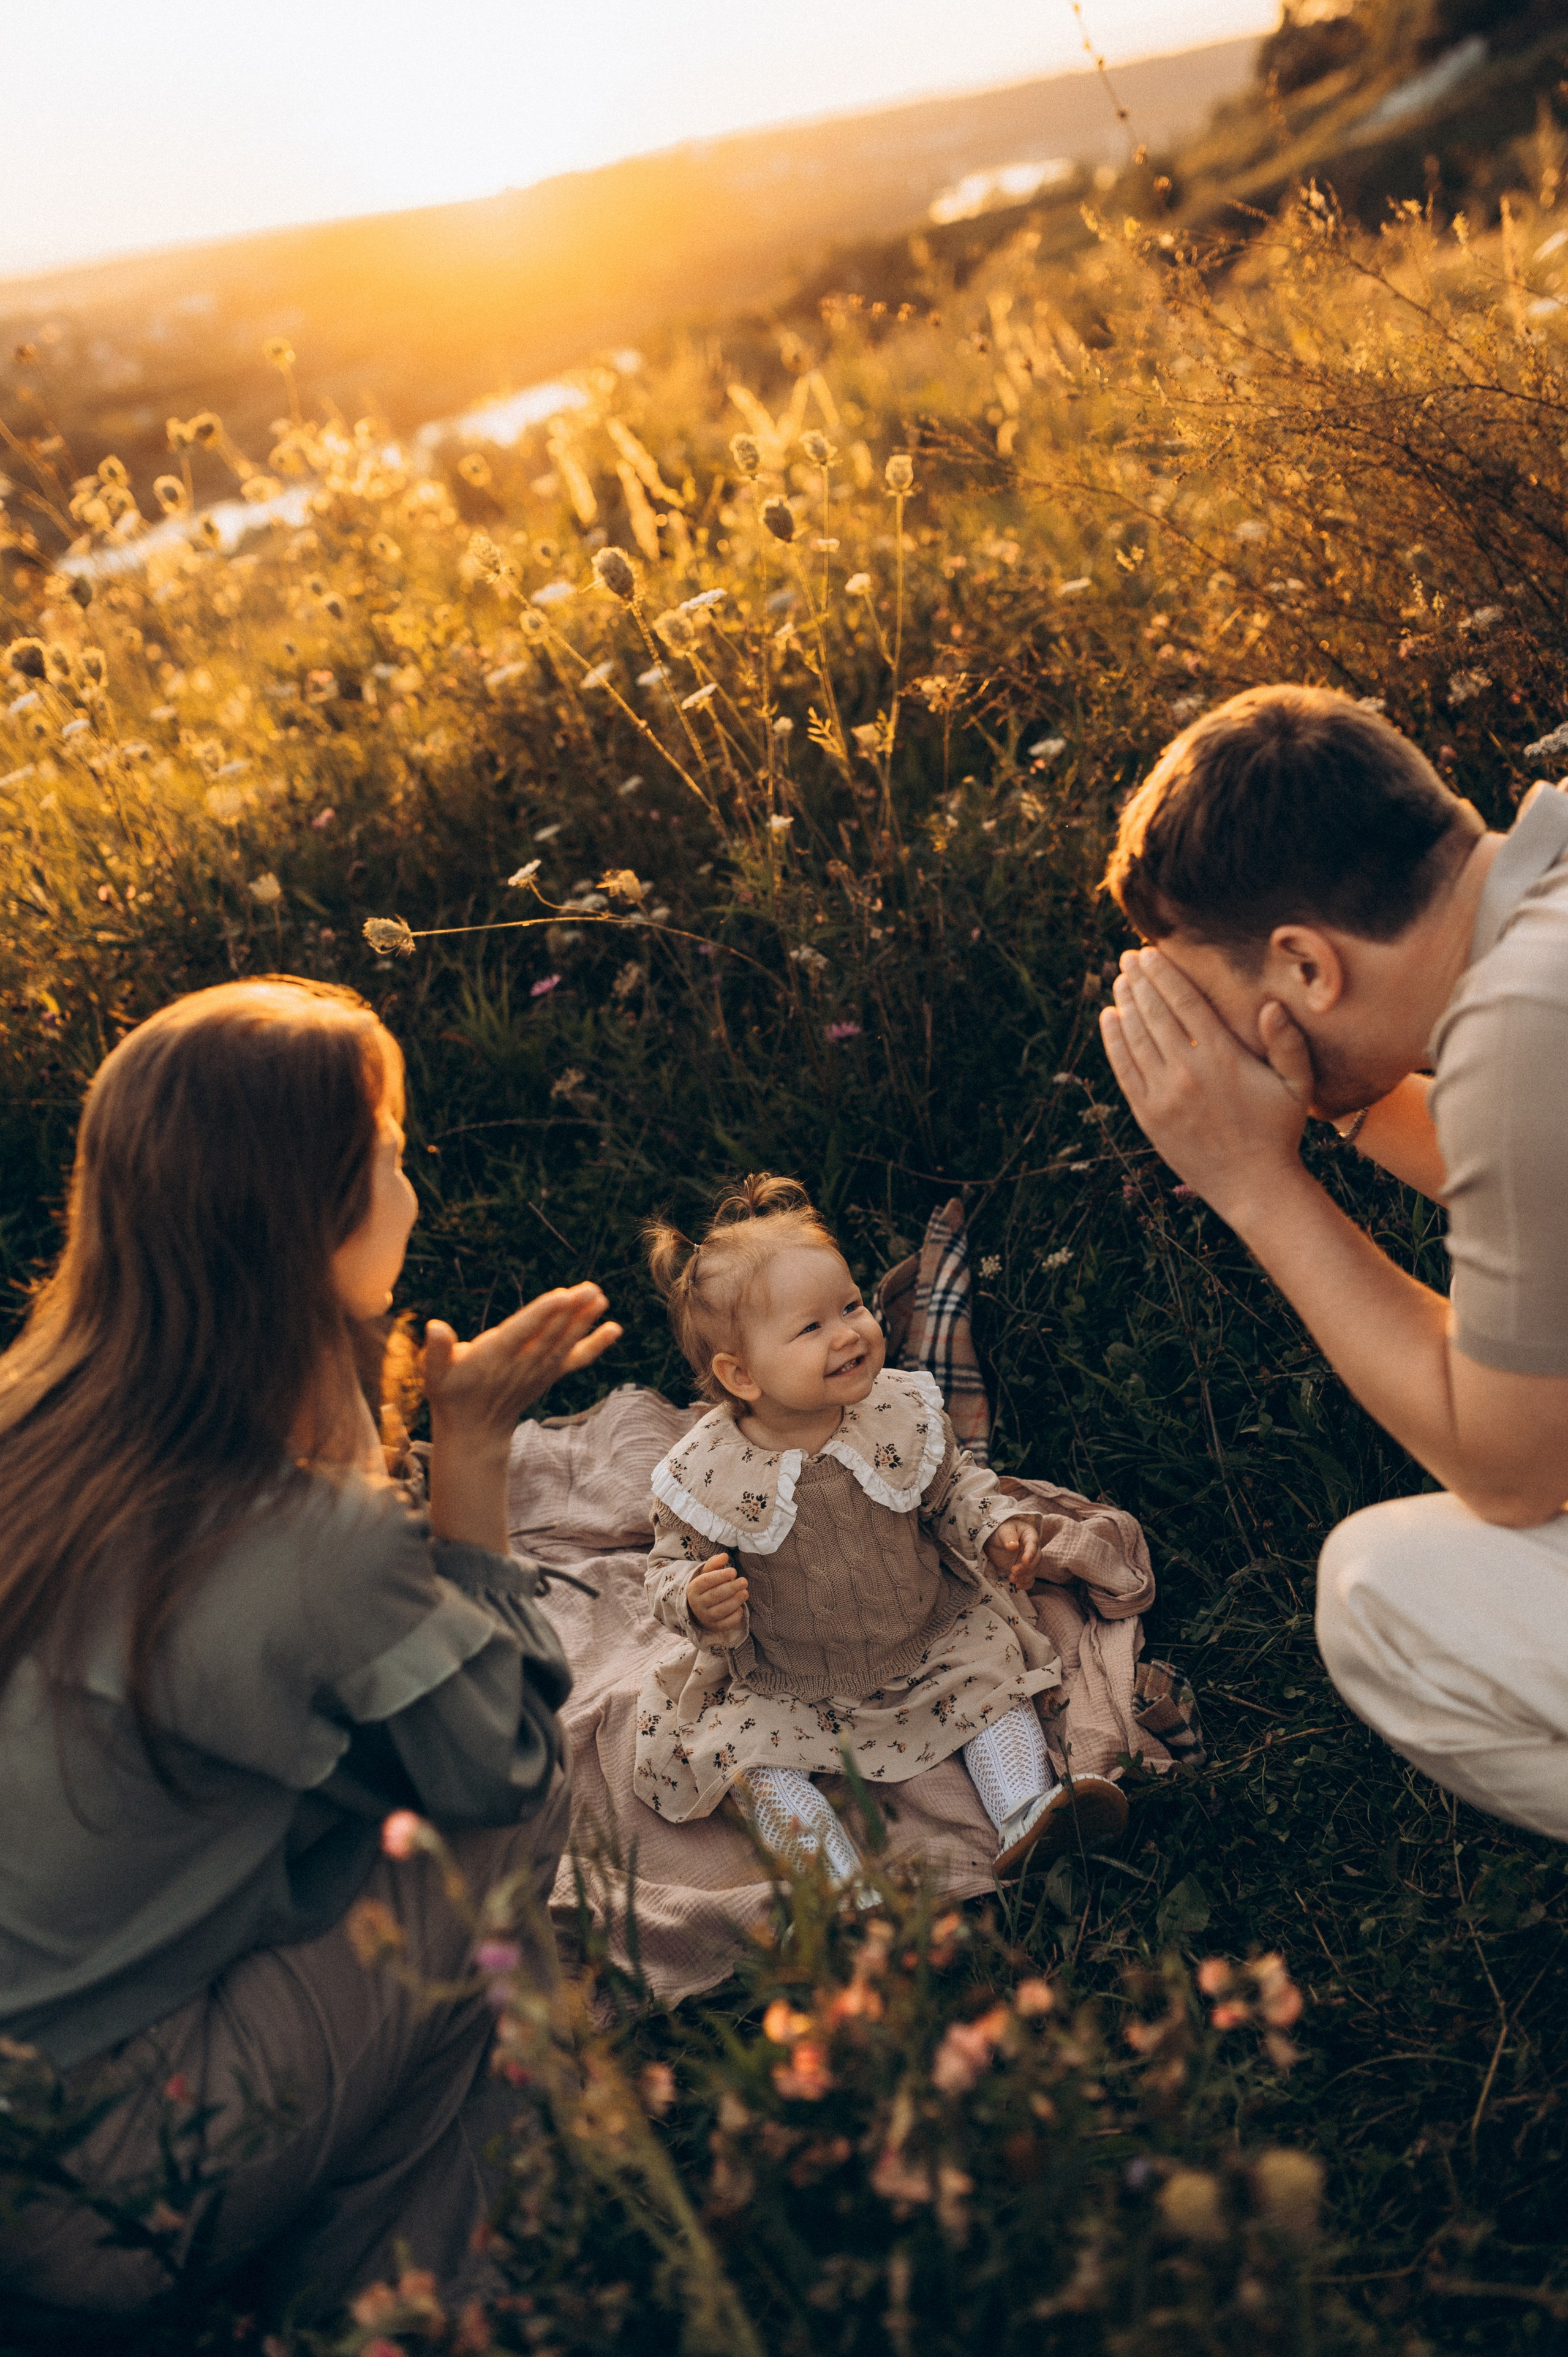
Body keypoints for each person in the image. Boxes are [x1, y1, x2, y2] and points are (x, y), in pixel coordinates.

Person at [0, 977, 620, 2321]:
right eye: (390, 1150)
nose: (411, 1178)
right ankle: (422, 2297)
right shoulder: (309, 1539)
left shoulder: (32, 1427)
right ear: (315, 1216)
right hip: (99, 2186)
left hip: (26, 2106)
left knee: (372, 1826)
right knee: (496, 1839)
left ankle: (390, 2241)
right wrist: (469, 1456)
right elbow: (503, 1766)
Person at [1098, 682, 1568, 1841]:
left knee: (1382, 1592)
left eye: (1219, 1001)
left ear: (1306, 966)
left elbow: (1515, 1470)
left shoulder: (1523, 1020)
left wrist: (1256, 1182)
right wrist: (1342, 1108)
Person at [630, 1176, 1129, 1879]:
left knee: (992, 1678)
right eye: (811, 1327)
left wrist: (995, 1526)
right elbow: (667, 1564)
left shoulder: (898, 1409)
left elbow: (953, 1484)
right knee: (744, 1752)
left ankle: (1027, 1811)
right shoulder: (708, 1473)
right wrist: (693, 1595)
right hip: (788, 1674)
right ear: (741, 1374)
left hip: (926, 1630)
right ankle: (833, 1883)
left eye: (852, 1305)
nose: (848, 1333)